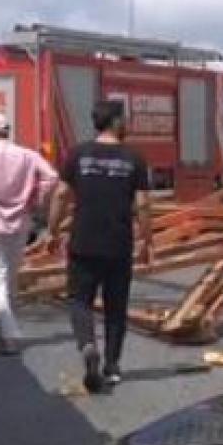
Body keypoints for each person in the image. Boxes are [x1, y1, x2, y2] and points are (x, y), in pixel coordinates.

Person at [47, 101, 152, 392]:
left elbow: (60, 195)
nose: (126, 123)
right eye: (124, 119)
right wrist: (147, 239)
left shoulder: (78, 154)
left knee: (80, 300)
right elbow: (143, 204)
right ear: (116, 121)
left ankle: (87, 346)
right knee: (116, 306)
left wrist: (52, 230)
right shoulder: (134, 158)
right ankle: (112, 366)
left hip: (83, 241)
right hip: (118, 243)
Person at [0, 112, 57, 355]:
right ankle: (2, 334)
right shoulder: (28, 155)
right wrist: (35, 200)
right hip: (20, 224)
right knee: (9, 279)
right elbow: (51, 177)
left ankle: (9, 332)